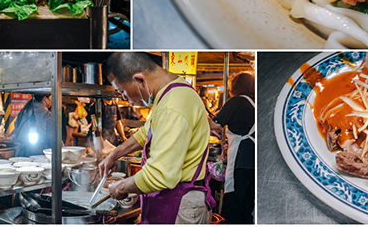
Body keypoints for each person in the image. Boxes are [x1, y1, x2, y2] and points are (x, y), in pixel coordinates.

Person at [99, 53, 216, 224]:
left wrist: (120, 187)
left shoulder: (173, 104)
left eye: (122, 91)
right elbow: (145, 133)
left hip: (181, 206)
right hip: (175, 200)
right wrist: (114, 155)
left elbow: (160, 175)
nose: (124, 98)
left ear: (139, 80)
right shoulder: (171, 93)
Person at [210, 72, 255, 224]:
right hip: (255, 161)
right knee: (247, 205)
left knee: (232, 203)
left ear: (235, 86)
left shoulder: (236, 102)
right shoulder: (256, 102)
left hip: (240, 160)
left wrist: (200, 110)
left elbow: (214, 124)